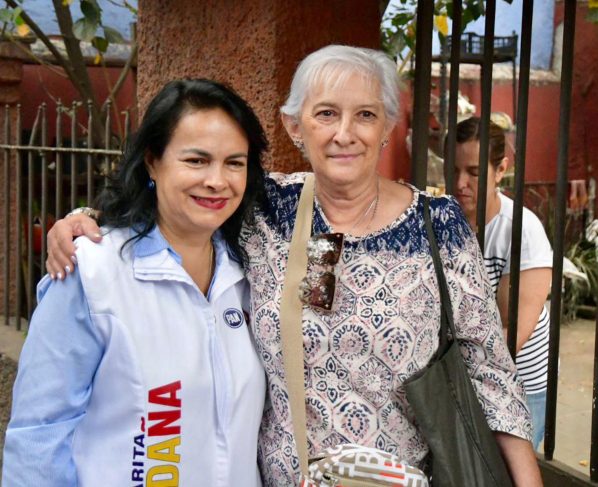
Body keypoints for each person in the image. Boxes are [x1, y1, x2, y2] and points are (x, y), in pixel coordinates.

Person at [44, 45, 543, 486]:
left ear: (388, 127)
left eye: (365, 115)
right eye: (326, 113)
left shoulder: (439, 226)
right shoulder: (264, 208)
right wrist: (89, 221)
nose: (345, 134)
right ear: (294, 125)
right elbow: (180, 204)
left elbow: (491, 374)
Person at [2, 79, 268, 486]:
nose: (217, 180)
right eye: (196, 160)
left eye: (235, 162)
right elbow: (40, 432)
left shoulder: (252, 267)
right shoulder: (91, 272)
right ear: (152, 162)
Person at [448, 116, 552, 450]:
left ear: (501, 170)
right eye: (454, 170)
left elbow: (511, 334)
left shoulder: (521, 229)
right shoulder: (444, 221)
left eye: (475, 173)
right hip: (465, 378)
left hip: (521, 382)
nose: (461, 183)